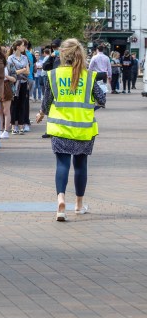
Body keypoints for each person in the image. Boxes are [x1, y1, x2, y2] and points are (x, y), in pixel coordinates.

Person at [35, 38, 105, 221]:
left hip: (60, 128)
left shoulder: (54, 75)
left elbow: (47, 102)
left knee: (62, 164)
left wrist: (41, 114)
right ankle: (79, 205)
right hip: (84, 129)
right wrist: (91, 108)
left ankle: (61, 201)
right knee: (80, 166)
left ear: (62, 54)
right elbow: (101, 99)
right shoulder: (88, 76)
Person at [7, 39, 31, 135]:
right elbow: (11, 72)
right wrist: (22, 70)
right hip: (14, 84)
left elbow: (28, 71)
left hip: (23, 82)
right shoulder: (10, 58)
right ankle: (13, 125)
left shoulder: (25, 57)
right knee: (14, 104)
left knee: (22, 104)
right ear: (17, 47)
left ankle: (21, 124)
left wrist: (19, 70)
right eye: (22, 45)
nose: (24, 47)